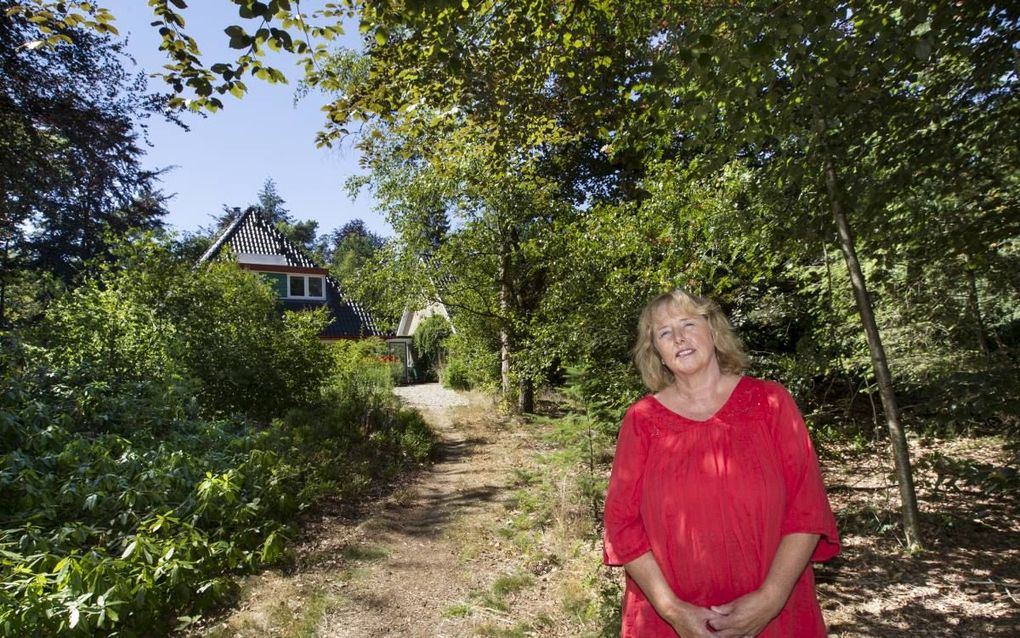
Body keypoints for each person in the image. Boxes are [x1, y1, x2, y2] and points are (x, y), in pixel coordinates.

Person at [603, 289, 840, 637]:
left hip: (776, 616)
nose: (679, 337)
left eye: (688, 323)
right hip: (670, 623)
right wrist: (673, 610)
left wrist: (771, 598)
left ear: (712, 331)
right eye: (664, 332)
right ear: (657, 353)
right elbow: (620, 524)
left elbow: (808, 506)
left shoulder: (771, 403)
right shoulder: (642, 421)